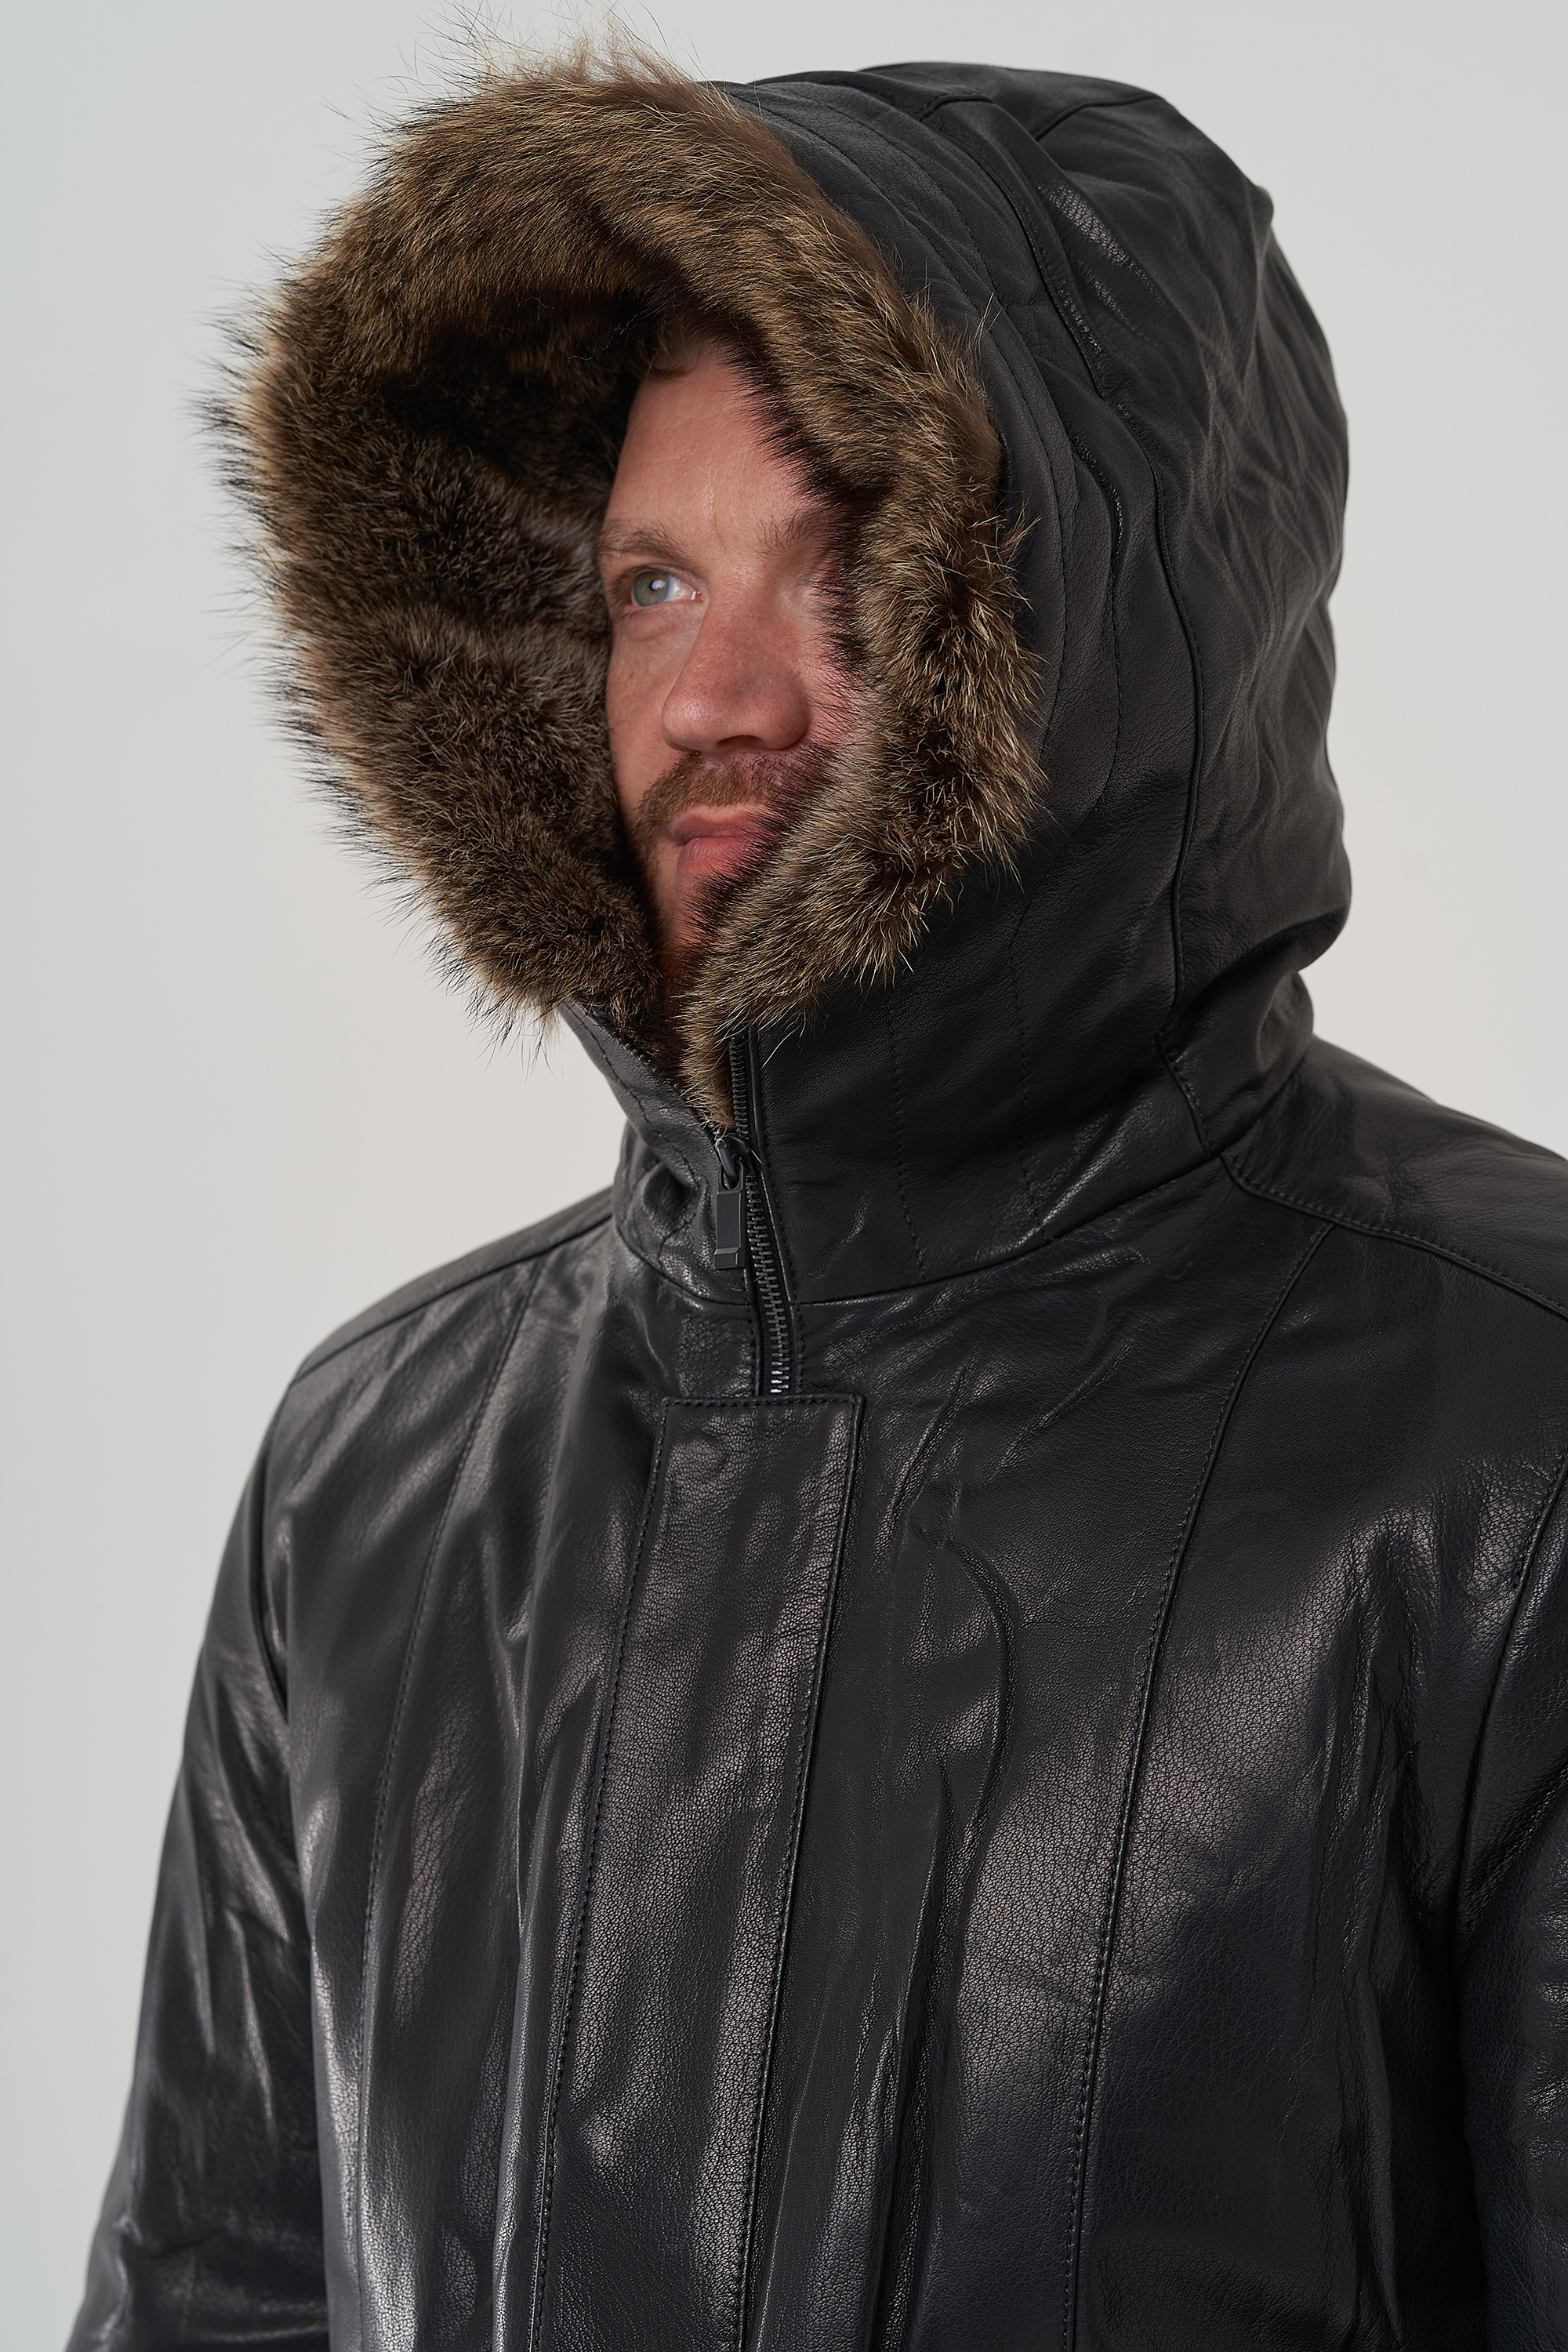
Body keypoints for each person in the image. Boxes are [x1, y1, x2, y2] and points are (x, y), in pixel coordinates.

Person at [70, 49, 1568, 2352]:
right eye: (651, 581)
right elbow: (218, 2298)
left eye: (851, 569)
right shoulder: (370, 1478)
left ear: (1098, 624)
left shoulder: (1504, 1432)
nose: (712, 700)